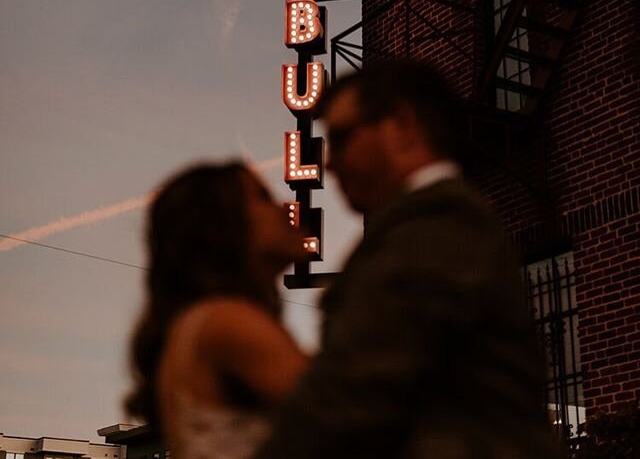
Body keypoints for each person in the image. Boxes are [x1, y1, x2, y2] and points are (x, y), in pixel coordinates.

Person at [256, 59, 563, 459]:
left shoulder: (432, 233)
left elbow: (346, 403)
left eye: (343, 136)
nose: (328, 162)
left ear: (402, 126)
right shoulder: (439, 226)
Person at [125, 162, 309, 459]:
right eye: (262, 197)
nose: (285, 207)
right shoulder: (227, 322)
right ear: (221, 227)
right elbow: (349, 412)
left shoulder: (197, 323)